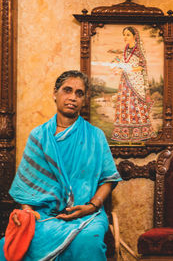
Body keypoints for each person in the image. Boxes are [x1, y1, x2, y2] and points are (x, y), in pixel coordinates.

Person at [0, 70, 122, 260]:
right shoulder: (39, 137)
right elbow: (26, 188)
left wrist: (91, 206)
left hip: (86, 216)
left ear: (84, 100)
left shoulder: (95, 136)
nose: (73, 97)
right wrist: (26, 213)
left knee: (89, 240)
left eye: (79, 93)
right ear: (55, 93)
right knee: (7, 246)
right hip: (44, 216)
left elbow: (108, 179)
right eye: (67, 90)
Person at [111, 26, 154, 142]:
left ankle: (140, 132)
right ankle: (124, 132)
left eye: (128, 34)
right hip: (125, 79)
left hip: (136, 81)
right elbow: (126, 62)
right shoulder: (126, 48)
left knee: (136, 104)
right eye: (124, 35)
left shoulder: (139, 49)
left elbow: (142, 66)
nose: (125, 37)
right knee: (125, 103)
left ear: (135, 36)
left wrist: (127, 69)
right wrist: (118, 64)